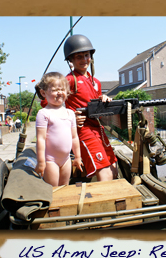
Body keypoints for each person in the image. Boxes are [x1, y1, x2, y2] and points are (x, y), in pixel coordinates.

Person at [41, 34, 118, 181]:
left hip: (98, 129)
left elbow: (96, 102)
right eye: (78, 57)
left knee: (114, 169)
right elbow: (47, 104)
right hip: (83, 131)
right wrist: (69, 117)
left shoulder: (96, 82)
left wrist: (103, 99)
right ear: (70, 60)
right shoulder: (68, 80)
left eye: (86, 55)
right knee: (105, 174)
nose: (84, 60)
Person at [34, 72, 82, 187]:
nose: (60, 92)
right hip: (50, 160)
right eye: (55, 90)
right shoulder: (44, 113)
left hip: (66, 159)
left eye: (62, 89)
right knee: (53, 188)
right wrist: (41, 162)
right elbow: (40, 139)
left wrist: (77, 157)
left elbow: (74, 137)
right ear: (43, 93)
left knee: (65, 186)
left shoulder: (70, 113)